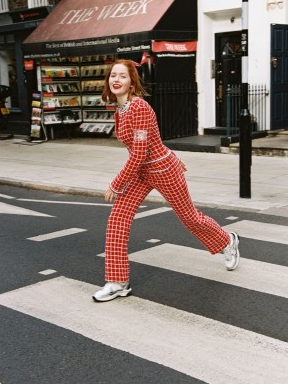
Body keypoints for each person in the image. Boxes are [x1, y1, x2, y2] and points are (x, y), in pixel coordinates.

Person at [93, 59, 240, 302]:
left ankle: (228, 241)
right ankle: (117, 282)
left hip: (162, 170)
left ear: (132, 83)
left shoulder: (138, 108)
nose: (116, 80)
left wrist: (116, 183)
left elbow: (140, 152)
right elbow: (148, 145)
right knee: (117, 220)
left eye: (122, 76)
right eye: (113, 76)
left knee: (190, 218)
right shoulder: (120, 110)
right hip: (141, 172)